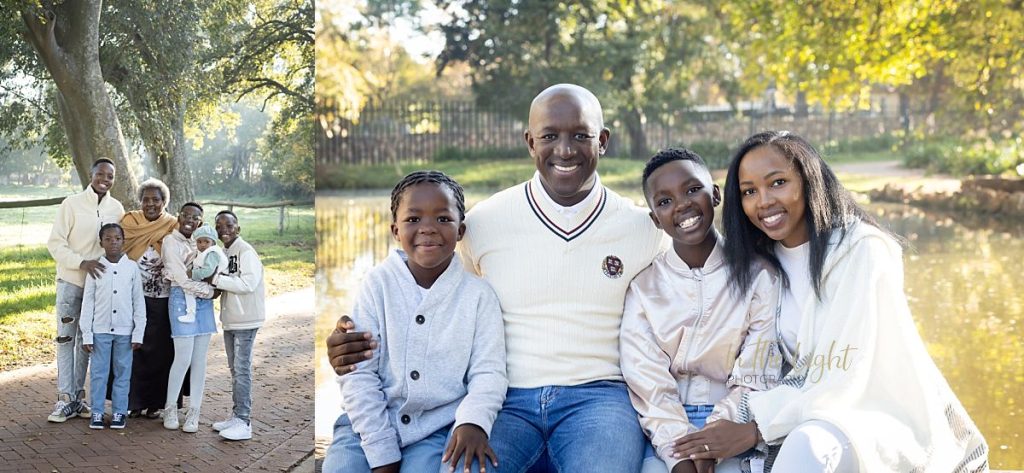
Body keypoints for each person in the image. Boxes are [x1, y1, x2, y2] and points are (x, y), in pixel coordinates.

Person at [327, 84, 665, 472]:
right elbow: (435, 299)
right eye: (549, 136)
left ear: (602, 141)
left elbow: (685, 298)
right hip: (505, 399)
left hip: (600, 398)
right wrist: (355, 346)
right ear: (530, 142)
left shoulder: (644, 229)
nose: (565, 150)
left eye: (580, 136)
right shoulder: (483, 223)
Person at [674, 131, 988, 471]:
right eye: (749, 191)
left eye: (778, 183)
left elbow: (848, 375)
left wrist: (756, 430)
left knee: (808, 445)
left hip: (869, 410)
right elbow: (755, 366)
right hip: (794, 409)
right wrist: (719, 429)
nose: (763, 201)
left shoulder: (863, 250)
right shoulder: (760, 264)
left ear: (809, 180)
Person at [323, 171, 507, 473]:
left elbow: (489, 372)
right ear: (396, 230)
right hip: (365, 426)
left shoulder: (478, 296)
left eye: (443, 219)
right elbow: (358, 373)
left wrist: (474, 421)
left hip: (435, 428)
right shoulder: (377, 285)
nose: (428, 228)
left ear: (460, 231)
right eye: (413, 219)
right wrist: (381, 451)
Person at [620, 148, 779, 473]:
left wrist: (711, 444)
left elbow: (757, 371)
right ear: (655, 218)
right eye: (665, 201)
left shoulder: (759, 275)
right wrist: (679, 455)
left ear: (715, 195)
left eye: (693, 189)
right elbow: (647, 382)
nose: (682, 205)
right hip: (664, 429)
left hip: (735, 424)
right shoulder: (643, 289)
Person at [46, 158, 125, 422]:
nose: (105, 179)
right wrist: (81, 263)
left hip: (99, 287)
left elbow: (118, 244)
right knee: (66, 339)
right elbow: (55, 243)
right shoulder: (71, 204)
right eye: (100, 174)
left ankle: (78, 399)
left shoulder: (116, 208)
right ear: (91, 175)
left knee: (86, 341)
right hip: (71, 281)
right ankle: (64, 399)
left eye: (110, 176)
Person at [119, 178, 185, 418]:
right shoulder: (129, 222)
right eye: (146, 199)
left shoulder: (173, 225)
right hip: (132, 297)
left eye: (156, 200)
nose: (150, 204)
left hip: (164, 298)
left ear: (164, 202)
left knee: (161, 351)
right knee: (134, 349)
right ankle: (134, 402)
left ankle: (156, 403)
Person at [81, 223, 146, 430]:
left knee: (123, 372)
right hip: (100, 330)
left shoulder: (132, 267)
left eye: (117, 238)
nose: (113, 243)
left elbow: (138, 301)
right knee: (99, 373)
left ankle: (119, 411)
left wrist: (138, 333)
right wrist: (87, 334)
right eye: (108, 239)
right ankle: (97, 412)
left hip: (125, 331)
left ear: (123, 240)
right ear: (101, 242)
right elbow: (88, 302)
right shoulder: (95, 268)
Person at [209, 210, 266, 441]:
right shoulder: (224, 252)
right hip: (231, 319)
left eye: (229, 225)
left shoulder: (245, 251)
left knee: (242, 370)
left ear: (238, 228)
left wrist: (216, 280)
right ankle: (236, 415)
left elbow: (248, 283)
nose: (224, 230)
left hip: (246, 319)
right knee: (235, 370)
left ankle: (244, 421)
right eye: (219, 226)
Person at [161, 203, 216, 434]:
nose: (190, 221)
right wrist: (210, 291)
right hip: (181, 299)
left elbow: (214, 268)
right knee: (182, 357)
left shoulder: (202, 242)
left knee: (199, 360)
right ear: (179, 216)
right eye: (186, 216)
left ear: (200, 222)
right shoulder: (170, 241)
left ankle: (194, 411)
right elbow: (182, 279)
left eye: (195, 218)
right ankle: (170, 408)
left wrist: (210, 287)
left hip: (202, 304)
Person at [179, 225, 227, 324]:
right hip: (207, 283)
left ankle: (190, 314)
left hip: (212, 285)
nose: (203, 245)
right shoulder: (202, 253)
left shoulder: (212, 253)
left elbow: (208, 271)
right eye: (199, 242)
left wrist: (192, 274)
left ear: (213, 242)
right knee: (189, 290)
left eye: (206, 242)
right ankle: (192, 313)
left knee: (188, 289)